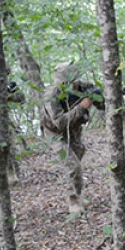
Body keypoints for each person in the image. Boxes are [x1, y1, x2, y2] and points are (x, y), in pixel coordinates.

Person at [41, 63, 102, 214]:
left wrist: (100, 98)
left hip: (74, 129)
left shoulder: (83, 87)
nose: (70, 85)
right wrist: (82, 107)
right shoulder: (51, 96)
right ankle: (73, 201)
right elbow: (59, 123)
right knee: (73, 166)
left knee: (77, 159)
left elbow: (102, 104)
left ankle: (78, 195)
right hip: (54, 133)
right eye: (65, 83)